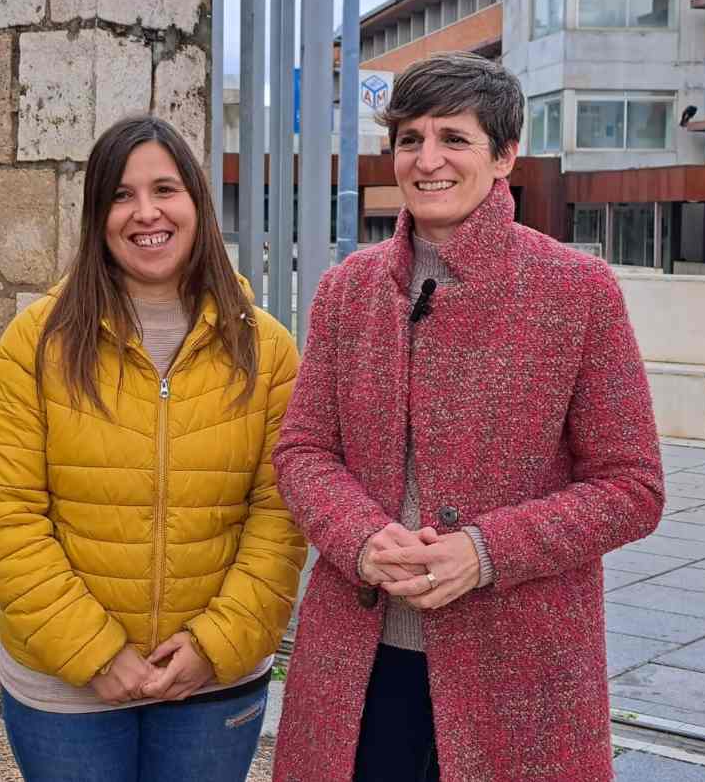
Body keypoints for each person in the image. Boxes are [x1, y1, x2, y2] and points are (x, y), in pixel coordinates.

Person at [272, 52, 664, 782]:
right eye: (409, 139)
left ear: (504, 154)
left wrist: (485, 551)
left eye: (453, 138)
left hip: (517, 665)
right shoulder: (347, 290)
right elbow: (301, 452)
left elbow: (632, 487)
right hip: (358, 658)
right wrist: (359, 536)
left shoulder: (576, 291)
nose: (427, 161)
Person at [0, 115, 306, 782]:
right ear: (97, 215)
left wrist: (216, 644)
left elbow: (281, 515)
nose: (145, 213)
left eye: (165, 189)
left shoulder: (266, 348)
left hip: (212, 685)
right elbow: (5, 513)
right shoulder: (36, 341)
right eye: (121, 195)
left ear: (197, 204)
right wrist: (95, 651)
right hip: (65, 687)